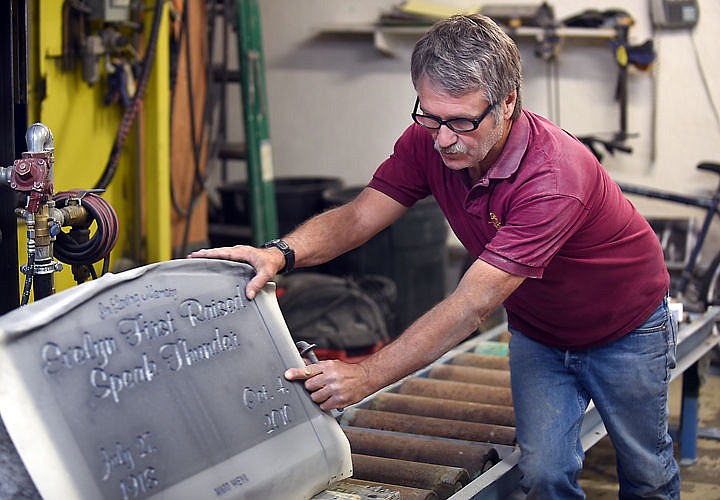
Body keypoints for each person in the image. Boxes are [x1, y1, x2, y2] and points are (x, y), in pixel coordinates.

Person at [190, 14, 679, 499]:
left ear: (507, 102)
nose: (444, 137)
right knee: (545, 474)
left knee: (646, 475)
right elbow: (361, 217)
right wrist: (280, 252)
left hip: (626, 330)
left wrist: (367, 375)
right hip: (542, 333)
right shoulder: (433, 140)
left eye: (462, 122)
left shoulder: (553, 180)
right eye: (430, 115)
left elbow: (471, 306)